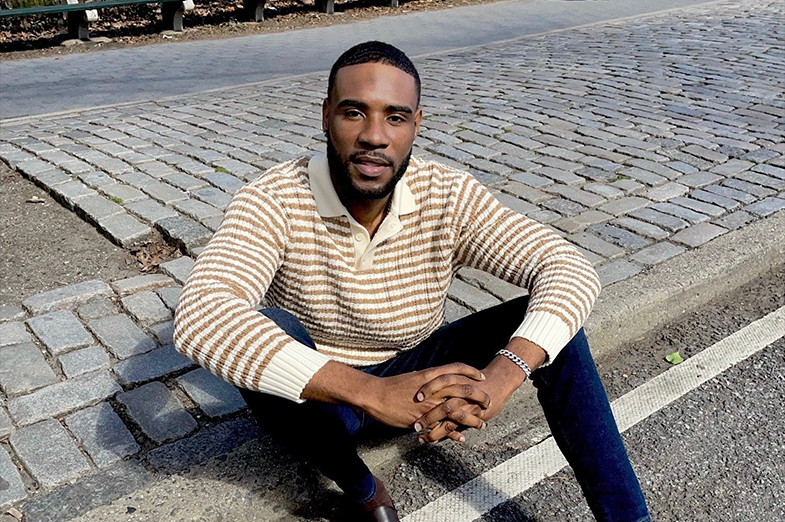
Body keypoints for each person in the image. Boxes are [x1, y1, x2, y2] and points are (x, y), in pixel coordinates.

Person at [173, 41, 651, 522]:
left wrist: (504, 375)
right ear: (325, 117)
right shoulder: (273, 199)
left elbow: (568, 266)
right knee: (268, 327)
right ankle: (362, 489)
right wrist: (373, 393)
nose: (374, 136)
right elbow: (201, 315)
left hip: (418, 375)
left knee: (556, 329)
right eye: (354, 113)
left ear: (416, 125)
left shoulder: (447, 195)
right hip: (326, 402)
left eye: (395, 118)